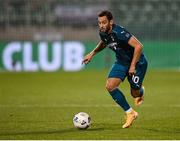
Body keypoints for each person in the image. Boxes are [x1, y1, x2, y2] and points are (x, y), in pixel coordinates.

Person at [82, 10, 148, 128]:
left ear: (111, 22)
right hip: (121, 62)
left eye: (104, 22)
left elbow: (139, 46)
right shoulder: (103, 32)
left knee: (135, 93)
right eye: (99, 23)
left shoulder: (120, 32)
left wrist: (133, 66)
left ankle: (140, 91)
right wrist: (91, 54)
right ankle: (130, 113)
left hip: (137, 63)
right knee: (110, 86)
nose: (101, 25)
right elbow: (104, 42)